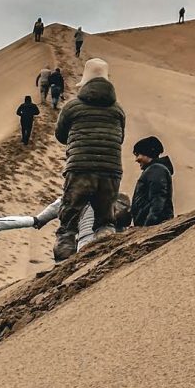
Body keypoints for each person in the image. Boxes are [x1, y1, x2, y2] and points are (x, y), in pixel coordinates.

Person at [53, 58, 125, 261]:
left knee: (69, 222)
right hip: (111, 169)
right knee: (105, 221)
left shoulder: (72, 107)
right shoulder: (118, 109)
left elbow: (60, 135)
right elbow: (120, 137)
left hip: (80, 167)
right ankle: (104, 260)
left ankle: (62, 263)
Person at [34, 193, 131, 254]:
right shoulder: (115, 196)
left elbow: (50, 211)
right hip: (109, 239)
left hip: (85, 241)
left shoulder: (72, 197)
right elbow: (125, 220)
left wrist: (38, 221)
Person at [131, 136, 174, 226]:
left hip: (155, 226)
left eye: (138, 154)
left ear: (147, 153)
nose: (136, 159)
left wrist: (148, 225)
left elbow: (158, 199)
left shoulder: (156, 170)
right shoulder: (153, 170)